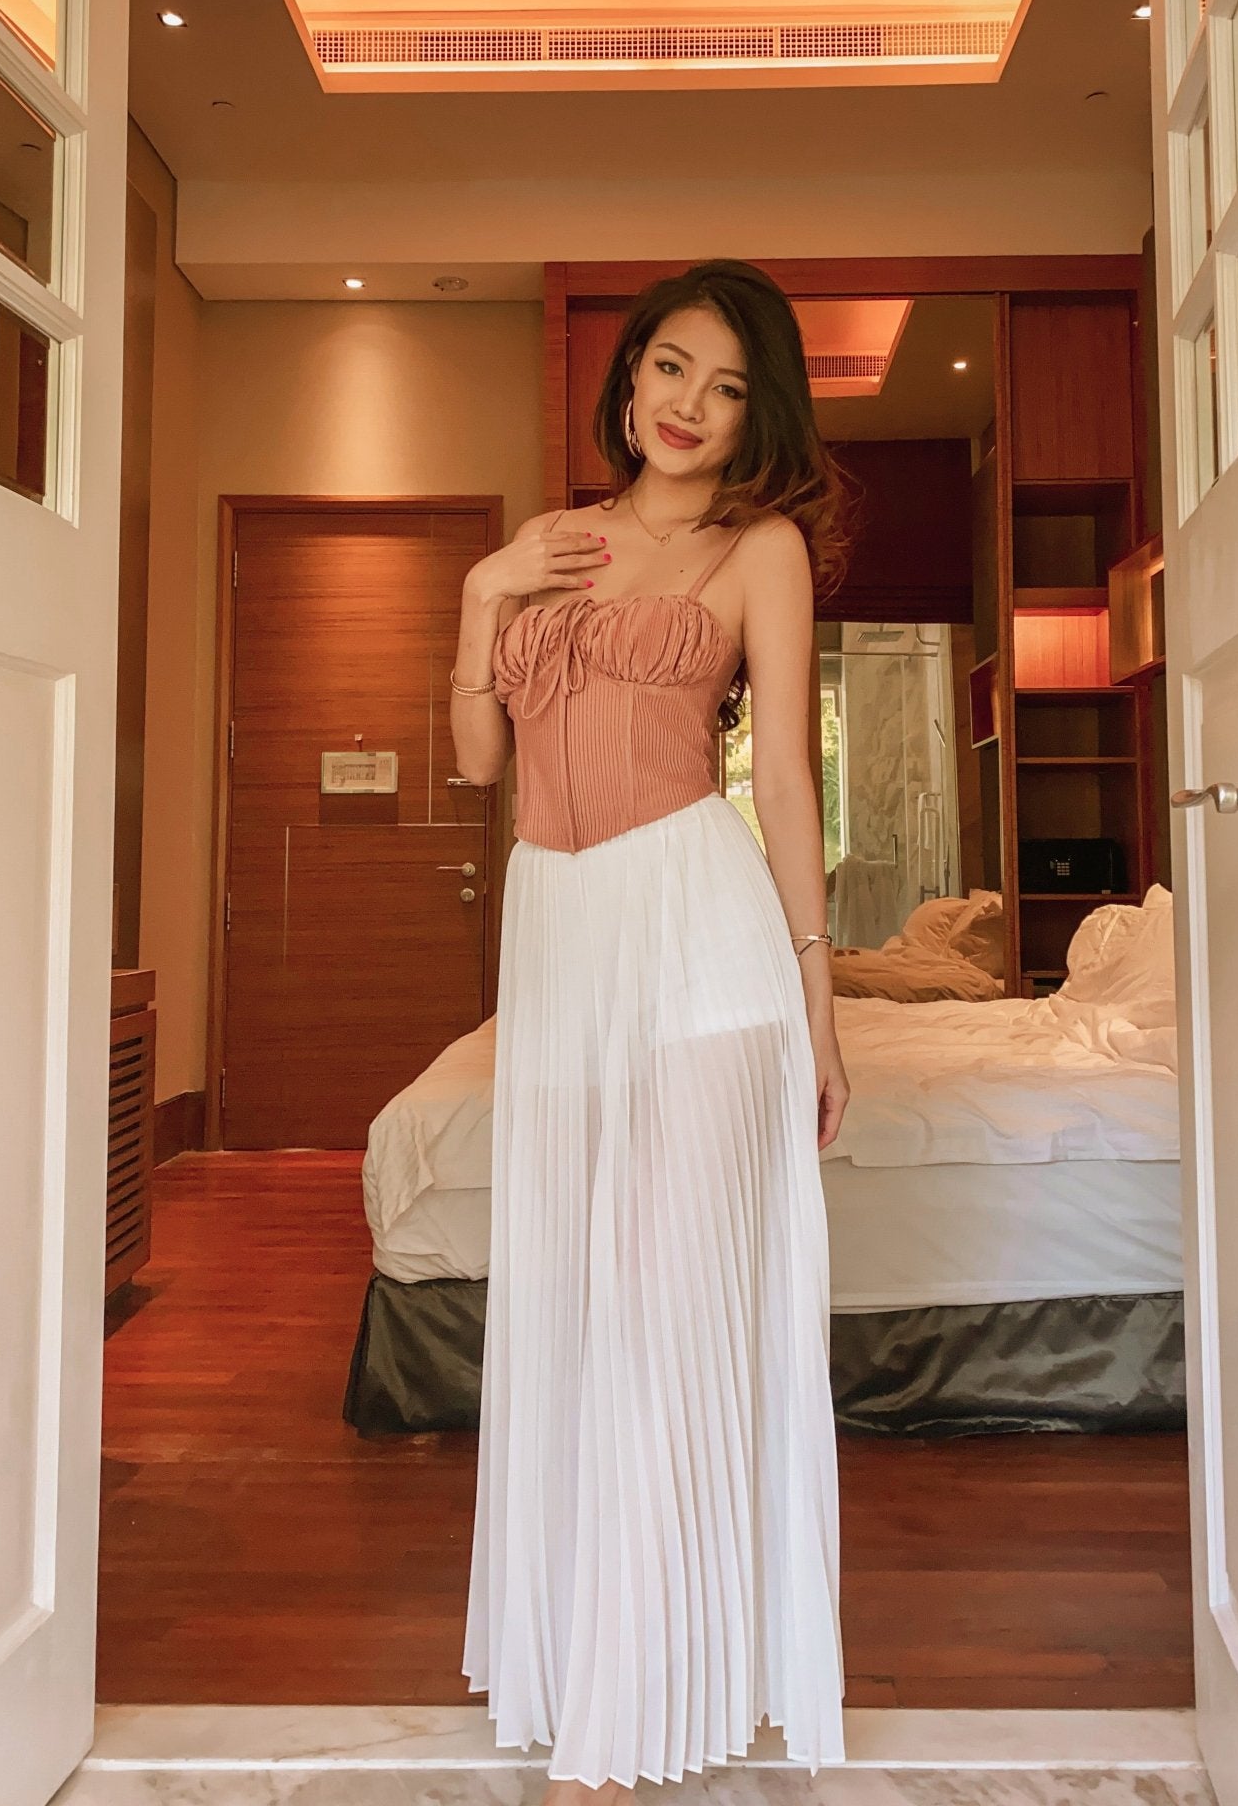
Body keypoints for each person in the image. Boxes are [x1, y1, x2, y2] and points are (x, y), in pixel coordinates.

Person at [449, 259, 852, 1802]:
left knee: (665, 1310)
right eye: (672, 368)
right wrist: (484, 591)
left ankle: (639, 1706)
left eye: (729, 388)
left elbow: (787, 784)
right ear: (628, 380)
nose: (691, 405)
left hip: (697, 931)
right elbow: (481, 758)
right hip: (559, 932)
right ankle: (605, 1665)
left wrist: (821, 1007)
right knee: (577, 1298)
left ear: (758, 417)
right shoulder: (553, 545)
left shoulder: (762, 551)